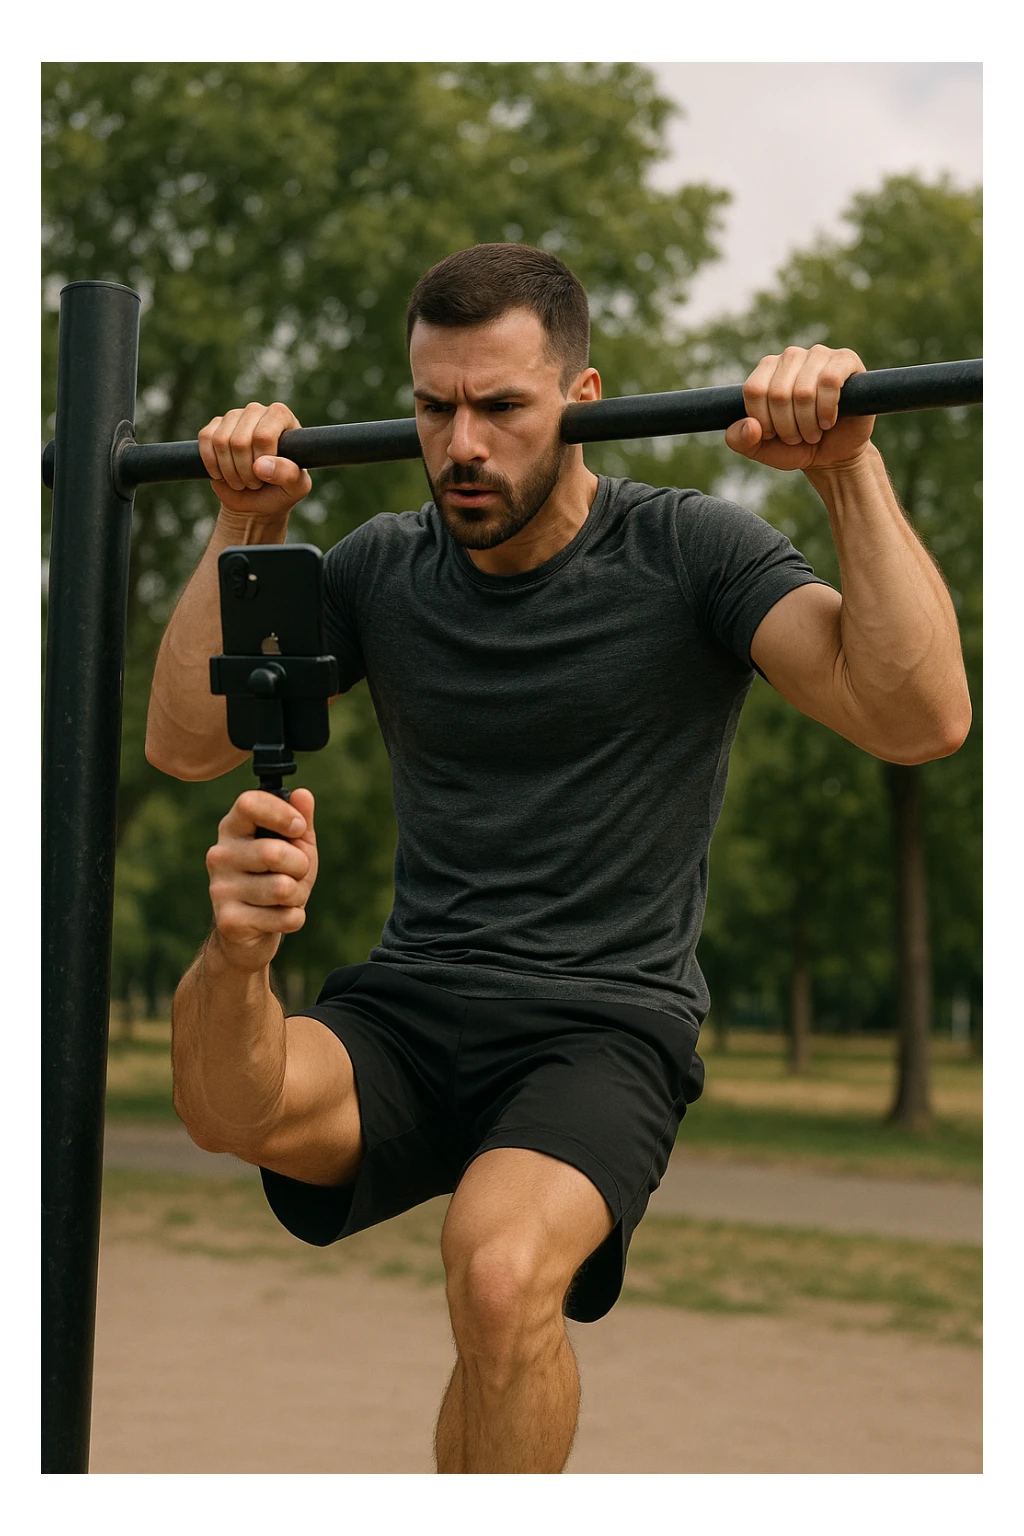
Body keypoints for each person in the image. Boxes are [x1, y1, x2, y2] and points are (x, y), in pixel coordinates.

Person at [147, 243, 971, 1474]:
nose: (459, 445)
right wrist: (245, 514)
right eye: (433, 407)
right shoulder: (380, 565)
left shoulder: (692, 554)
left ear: (580, 403)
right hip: (414, 1002)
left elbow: (918, 718)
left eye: (499, 407)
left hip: (604, 1022)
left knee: (498, 1276)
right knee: (226, 1105)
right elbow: (186, 742)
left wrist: (846, 471)